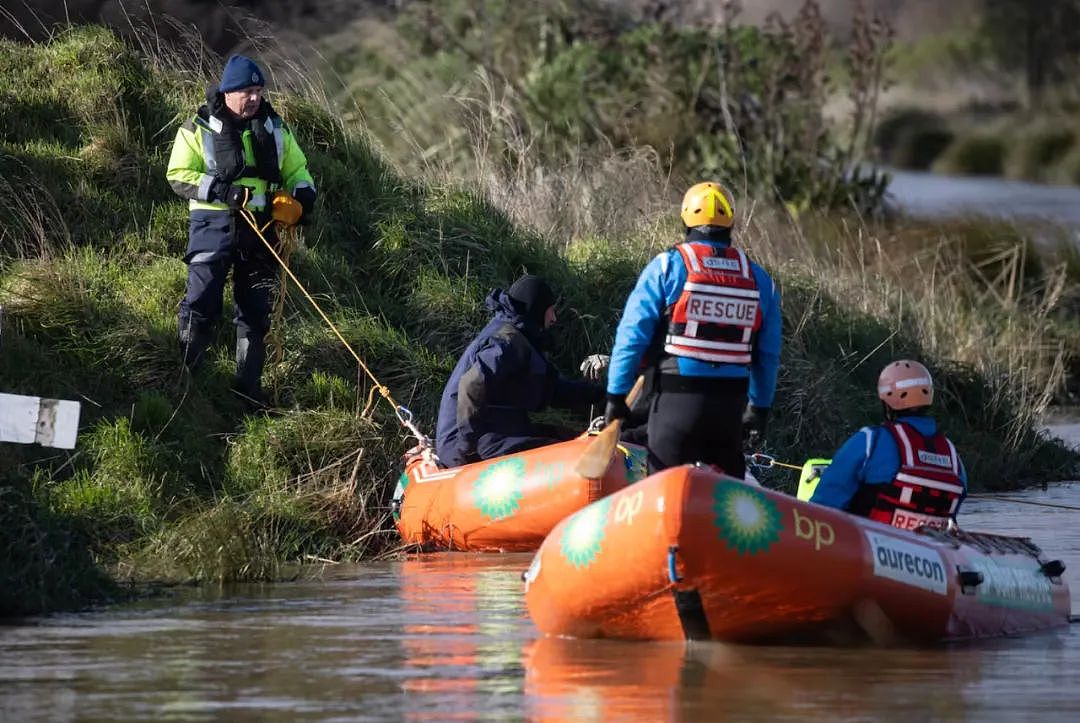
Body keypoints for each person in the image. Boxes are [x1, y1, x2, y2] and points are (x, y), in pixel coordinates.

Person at [603, 182, 782, 477]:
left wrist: (615, 395)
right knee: (726, 504)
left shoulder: (667, 267)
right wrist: (760, 408)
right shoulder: (761, 280)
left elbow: (631, 337)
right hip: (729, 412)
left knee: (660, 493)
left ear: (685, 220)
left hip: (676, 406)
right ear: (732, 223)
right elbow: (768, 355)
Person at [166, 54, 316, 406]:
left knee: (256, 310)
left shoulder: (277, 129)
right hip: (212, 226)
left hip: (262, 230)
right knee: (202, 301)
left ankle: (247, 394)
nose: (254, 98)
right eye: (247, 91)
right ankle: (187, 381)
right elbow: (178, 175)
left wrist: (302, 199)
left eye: (259, 91)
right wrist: (223, 191)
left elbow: (299, 172)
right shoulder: (197, 128)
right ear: (228, 92)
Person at [435, 274, 606, 468]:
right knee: (570, 454)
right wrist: (466, 446)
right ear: (537, 309)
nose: (554, 318)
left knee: (570, 438)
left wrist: (598, 394)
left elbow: (551, 390)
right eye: (550, 311)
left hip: (497, 429)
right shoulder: (506, 341)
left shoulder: (520, 338)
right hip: (466, 444)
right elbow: (472, 384)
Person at [810, 360, 968, 531]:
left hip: (867, 547)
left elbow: (825, 502)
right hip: (928, 552)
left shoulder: (871, 440)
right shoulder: (953, 456)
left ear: (887, 402)